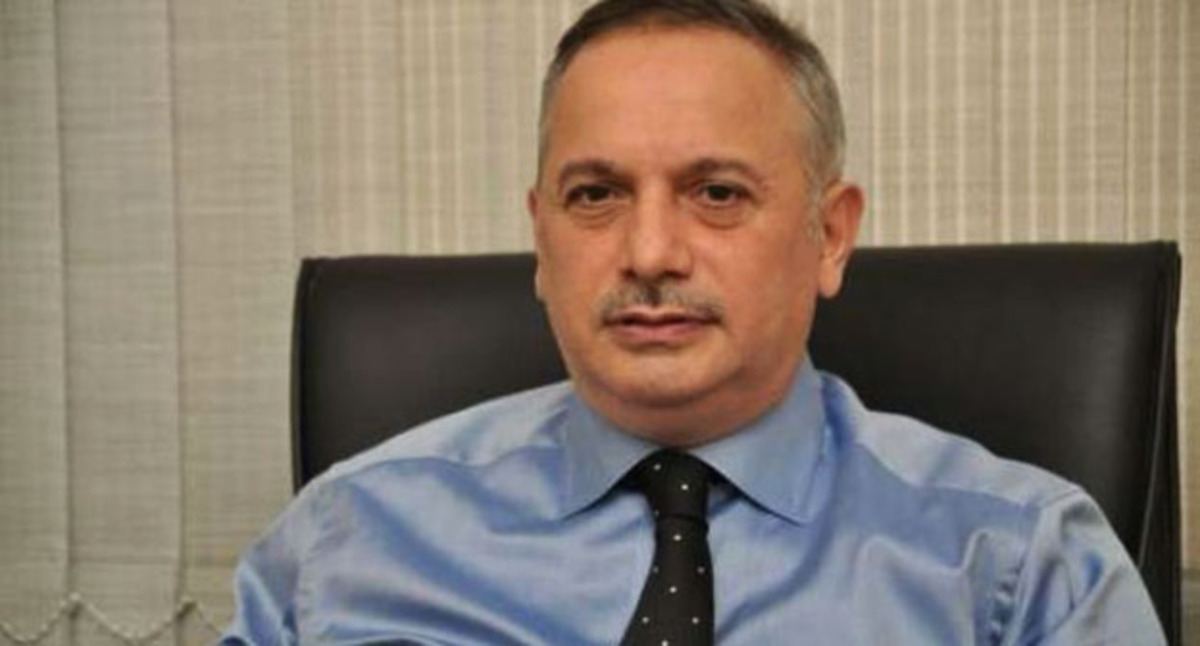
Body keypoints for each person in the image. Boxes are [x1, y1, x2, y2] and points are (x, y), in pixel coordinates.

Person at [220, 0, 1165, 643]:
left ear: (830, 236)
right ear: (542, 240)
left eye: (716, 193)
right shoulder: (347, 539)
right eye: (595, 195)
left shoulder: (1020, 566)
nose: (649, 253)